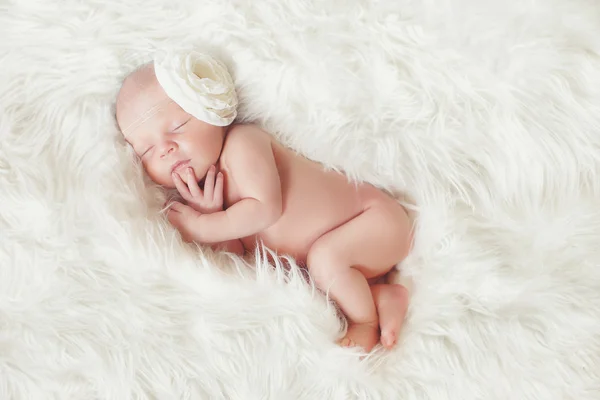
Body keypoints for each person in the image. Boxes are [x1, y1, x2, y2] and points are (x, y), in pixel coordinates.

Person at [115, 51, 413, 352]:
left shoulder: (242, 142)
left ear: (210, 110)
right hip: (358, 257)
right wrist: (212, 214)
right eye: (147, 151)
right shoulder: (212, 199)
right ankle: (382, 297)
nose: (165, 149)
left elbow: (265, 209)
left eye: (177, 127)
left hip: (375, 221)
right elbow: (241, 257)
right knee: (326, 272)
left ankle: (366, 323)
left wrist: (206, 226)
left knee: (326, 260)